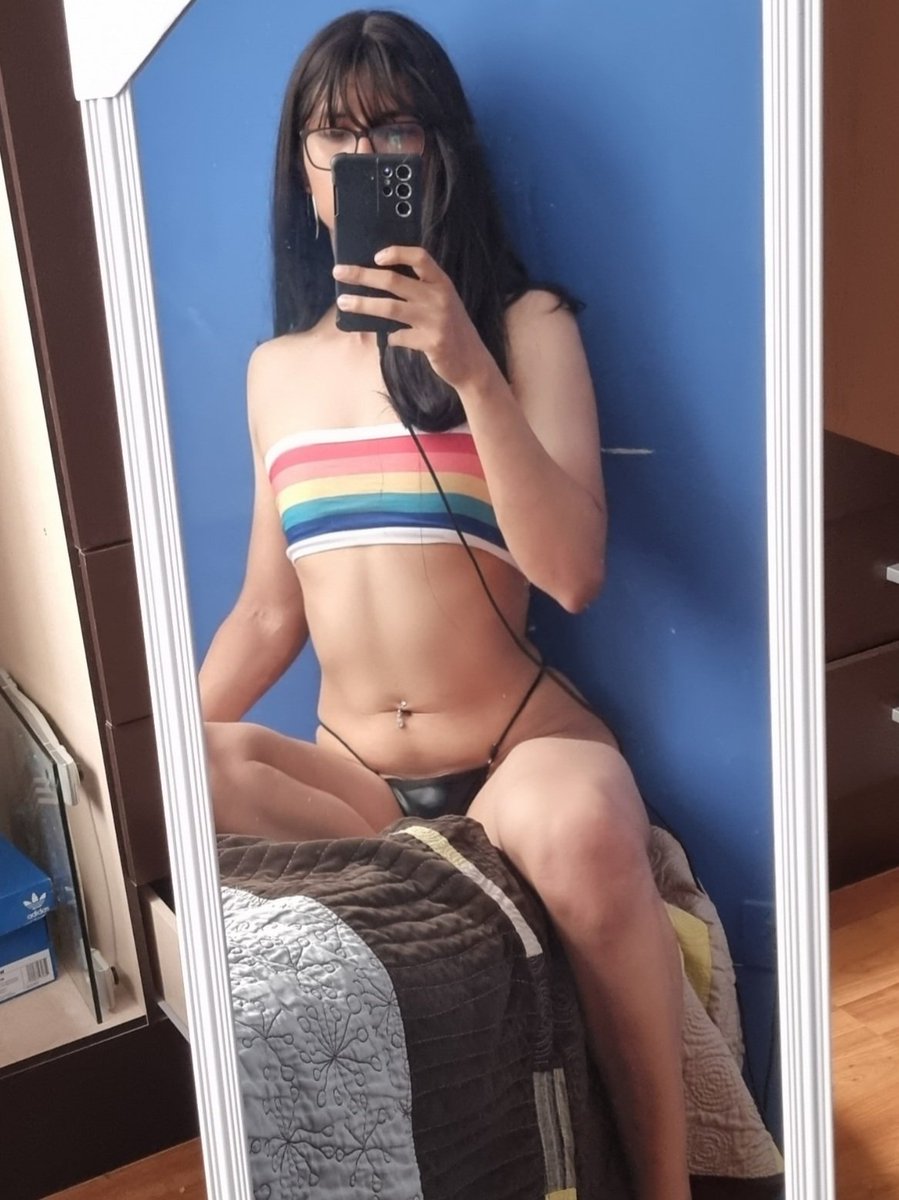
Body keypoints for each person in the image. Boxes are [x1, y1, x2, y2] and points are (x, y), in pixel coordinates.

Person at [199, 10, 689, 1198]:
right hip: (356, 789)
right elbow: (267, 616)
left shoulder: (525, 329)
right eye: (334, 135)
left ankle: (669, 1184)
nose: (362, 158)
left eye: (393, 131)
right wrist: (153, 751)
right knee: (187, 769)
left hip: (516, 755)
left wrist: (466, 366)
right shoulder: (274, 372)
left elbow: (570, 572)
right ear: (302, 170)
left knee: (575, 829)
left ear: (439, 156)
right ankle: (433, 879)